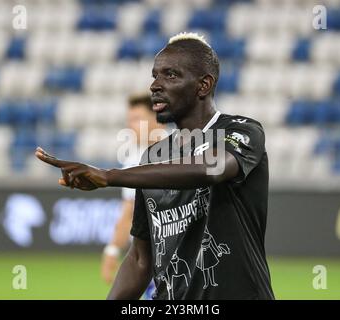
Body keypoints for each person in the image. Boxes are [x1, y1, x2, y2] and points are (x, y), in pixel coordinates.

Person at [35, 32, 274, 300]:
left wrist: (109, 176)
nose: (155, 85)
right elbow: (140, 258)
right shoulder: (153, 156)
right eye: (154, 75)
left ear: (203, 85)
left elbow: (213, 168)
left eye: (170, 75)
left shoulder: (242, 130)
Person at [101, 93, 166, 300]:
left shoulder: (183, 150)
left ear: (156, 117)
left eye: (137, 119)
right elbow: (128, 212)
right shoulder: (134, 158)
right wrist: (112, 250)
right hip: (152, 258)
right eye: (129, 121)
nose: (131, 126)